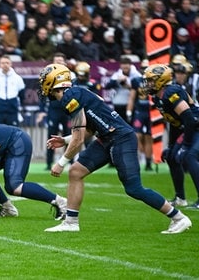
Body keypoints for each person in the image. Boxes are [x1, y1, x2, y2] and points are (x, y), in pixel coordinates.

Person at [39, 63, 192, 234]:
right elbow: (89, 128)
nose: (42, 83)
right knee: (76, 171)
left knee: (134, 188)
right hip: (106, 138)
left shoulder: (70, 96)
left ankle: (178, 217)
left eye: (44, 79)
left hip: (121, 139)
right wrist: (66, 140)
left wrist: (61, 162)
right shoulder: (74, 93)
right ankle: (71, 222)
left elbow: (80, 137)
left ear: (53, 81)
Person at [144, 64, 199, 210]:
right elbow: (175, 124)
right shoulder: (158, 98)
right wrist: (172, 146)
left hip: (195, 126)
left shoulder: (171, 92)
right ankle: (180, 198)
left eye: (150, 80)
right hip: (188, 128)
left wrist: (185, 145)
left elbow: (189, 118)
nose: (148, 84)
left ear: (160, 80)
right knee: (171, 155)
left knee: (190, 156)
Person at [126, 60, 153, 171]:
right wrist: (129, 110)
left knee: (149, 138)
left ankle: (148, 162)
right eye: (143, 67)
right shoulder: (136, 80)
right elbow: (132, 97)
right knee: (137, 136)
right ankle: (140, 156)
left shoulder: (155, 81)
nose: (144, 70)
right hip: (139, 111)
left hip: (151, 112)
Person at [0, 55, 25, 126]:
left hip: (12, 109)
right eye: (3, 63)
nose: (5, 65)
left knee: (13, 131)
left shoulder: (17, 78)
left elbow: (22, 94)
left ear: (11, 64)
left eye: (7, 63)